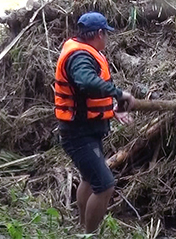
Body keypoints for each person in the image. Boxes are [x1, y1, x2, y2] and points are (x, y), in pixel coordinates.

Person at [54, 12, 137, 233]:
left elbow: (84, 97)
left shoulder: (82, 51)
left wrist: (111, 109)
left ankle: (82, 228)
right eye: (106, 35)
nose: (106, 40)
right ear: (99, 33)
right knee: (105, 186)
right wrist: (119, 94)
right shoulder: (80, 56)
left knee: (90, 180)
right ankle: (89, 234)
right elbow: (86, 82)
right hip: (77, 134)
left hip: (87, 130)